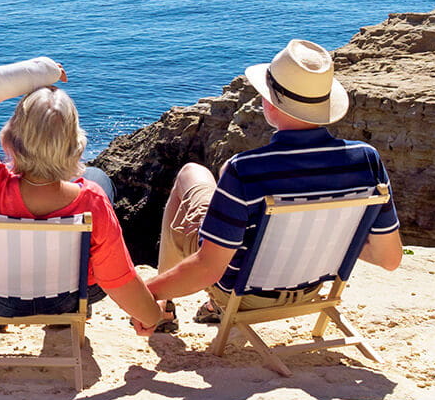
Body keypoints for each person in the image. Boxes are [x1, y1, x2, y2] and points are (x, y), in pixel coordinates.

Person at [138, 40, 404, 335]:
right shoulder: (366, 160)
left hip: (242, 294)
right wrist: (332, 238)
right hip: (310, 289)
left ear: (270, 102)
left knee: (192, 173)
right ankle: (205, 308)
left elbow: (207, 269)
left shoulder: (245, 169)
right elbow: (388, 259)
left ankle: (162, 310)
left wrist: (143, 293)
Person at [0, 56, 163, 328]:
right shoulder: (92, 200)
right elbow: (119, 279)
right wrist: (152, 316)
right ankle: (61, 321)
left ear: (10, 137)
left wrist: (36, 73)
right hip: (68, 299)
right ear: (76, 145)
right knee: (97, 177)